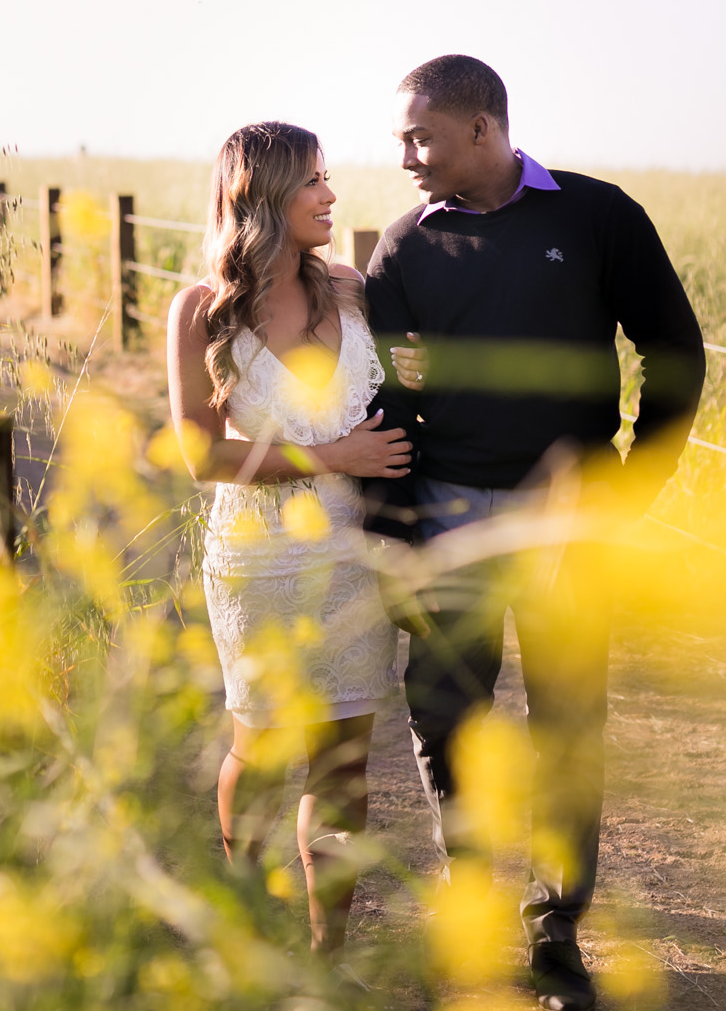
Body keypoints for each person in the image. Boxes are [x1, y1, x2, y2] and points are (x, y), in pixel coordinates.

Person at [365, 55, 704, 1011]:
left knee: (565, 723)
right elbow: (387, 404)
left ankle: (556, 934)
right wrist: (398, 539)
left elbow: (675, 347)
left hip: (571, 521)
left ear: (482, 128)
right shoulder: (401, 251)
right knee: (446, 715)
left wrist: (635, 483)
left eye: (419, 136)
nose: (404, 158)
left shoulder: (597, 217)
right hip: (448, 512)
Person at [165, 121, 412, 954]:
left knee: (342, 766)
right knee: (261, 747)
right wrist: (333, 454)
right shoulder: (201, 310)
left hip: (351, 555)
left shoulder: (349, 287)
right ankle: (243, 921)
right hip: (257, 562)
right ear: (261, 196)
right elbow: (200, 451)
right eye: (313, 180)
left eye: (327, 177)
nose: (331, 194)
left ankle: (325, 956)